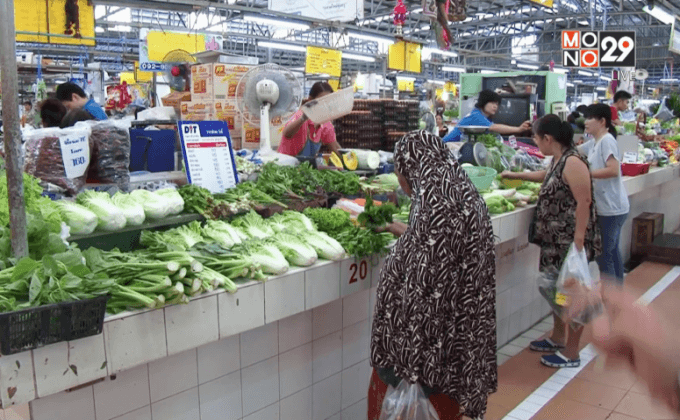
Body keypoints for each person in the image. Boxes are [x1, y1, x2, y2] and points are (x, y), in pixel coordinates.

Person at [369, 130, 497, 420]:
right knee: (446, 392)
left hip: (429, 337)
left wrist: (411, 356)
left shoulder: (434, 200)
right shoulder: (456, 186)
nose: (401, 183)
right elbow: (434, 245)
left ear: (411, 167)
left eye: (400, 173)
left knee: (425, 399)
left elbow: (425, 282)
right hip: (456, 325)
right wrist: (399, 230)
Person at [501, 115, 601, 368]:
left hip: (569, 242)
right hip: (554, 240)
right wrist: (514, 175)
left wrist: (578, 242)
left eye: (536, 137)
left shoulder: (574, 161)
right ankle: (558, 337)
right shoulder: (559, 160)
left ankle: (571, 352)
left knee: (571, 294)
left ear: (548, 138)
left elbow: (584, 201)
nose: (535, 142)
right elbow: (545, 176)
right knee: (557, 293)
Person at [579, 104, 630, 282]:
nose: (585, 122)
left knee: (604, 256)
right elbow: (574, 151)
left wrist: (585, 174)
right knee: (612, 252)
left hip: (611, 209)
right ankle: (618, 298)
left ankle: (611, 300)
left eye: (589, 118)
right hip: (612, 207)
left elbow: (613, 170)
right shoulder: (595, 142)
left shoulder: (607, 140)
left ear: (602, 121)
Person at [278, 82, 342, 160]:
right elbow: (287, 133)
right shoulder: (300, 116)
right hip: (285, 166)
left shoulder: (326, 124)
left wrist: (348, 160)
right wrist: (303, 119)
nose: (325, 105)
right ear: (310, 100)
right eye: (321, 101)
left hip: (304, 169)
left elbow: (335, 147)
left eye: (328, 102)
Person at [443, 90, 531, 142]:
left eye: (497, 104)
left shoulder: (482, 116)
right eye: (492, 103)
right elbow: (494, 128)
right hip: (446, 146)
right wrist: (518, 129)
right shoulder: (476, 115)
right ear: (484, 102)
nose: (495, 106)